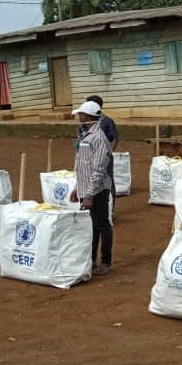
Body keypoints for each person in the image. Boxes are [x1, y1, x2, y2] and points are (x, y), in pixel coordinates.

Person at [69, 100, 114, 274]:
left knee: (102, 225)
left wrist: (89, 195)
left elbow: (99, 169)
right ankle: (91, 259)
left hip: (97, 190)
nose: (78, 117)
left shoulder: (98, 138)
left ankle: (106, 262)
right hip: (86, 189)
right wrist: (76, 188)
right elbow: (83, 168)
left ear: (86, 117)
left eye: (80, 115)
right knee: (91, 226)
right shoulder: (86, 136)